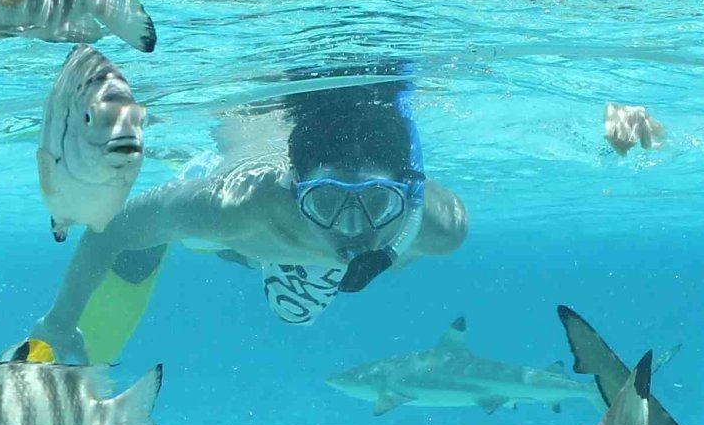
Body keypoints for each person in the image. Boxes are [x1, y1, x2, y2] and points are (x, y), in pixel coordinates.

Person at [34, 72, 469, 363]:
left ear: (407, 195)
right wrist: (60, 321)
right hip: (242, 232)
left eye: (376, 202)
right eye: (325, 202)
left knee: (294, 314)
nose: (350, 228)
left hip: (276, 242)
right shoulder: (234, 207)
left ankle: (248, 252)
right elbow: (110, 229)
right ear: (294, 189)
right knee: (209, 241)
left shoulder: (440, 229)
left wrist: (394, 254)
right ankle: (198, 192)